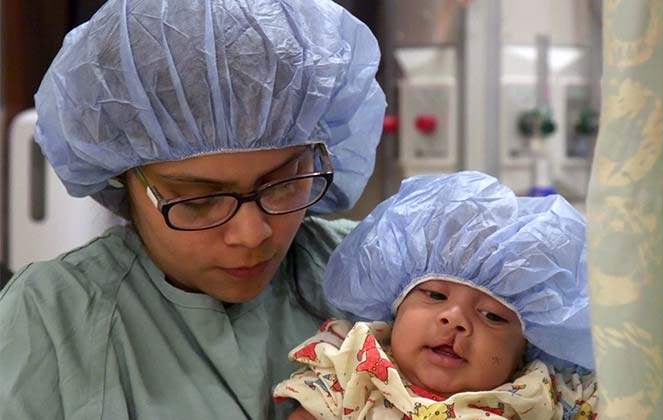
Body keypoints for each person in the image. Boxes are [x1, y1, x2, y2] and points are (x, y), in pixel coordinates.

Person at [0, 0, 385, 419]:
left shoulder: (387, 280)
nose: (252, 234)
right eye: (200, 201)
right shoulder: (49, 320)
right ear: (121, 174)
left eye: (283, 181)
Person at [274, 171, 599, 420]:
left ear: (526, 349)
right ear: (395, 308)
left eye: (492, 316)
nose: (455, 318)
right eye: (434, 295)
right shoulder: (352, 367)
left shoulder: (550, 391)